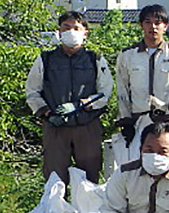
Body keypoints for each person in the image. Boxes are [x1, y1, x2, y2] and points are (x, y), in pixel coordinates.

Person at [25, 11, 113, 184]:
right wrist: (48, 114)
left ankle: (88, 212)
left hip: (88, 127)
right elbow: (32, 91)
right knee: (54, 180)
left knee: (89, 181)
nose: (71, 31)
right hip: (55, 128)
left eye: (76, 28)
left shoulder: (95, 59)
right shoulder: (46, 59)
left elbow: (106, 91)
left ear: (85, 32)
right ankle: (56, 211)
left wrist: (83, 104)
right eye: (66, 27)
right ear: (59, 31)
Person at [115, 4, 169, 162]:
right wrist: (125, 120)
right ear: (142, 25)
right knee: (137, 168)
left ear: (165, 26)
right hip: (139, 121)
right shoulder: (127, 55)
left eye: (157, 22)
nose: (153, 27)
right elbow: (122, 91)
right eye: (148, 22)